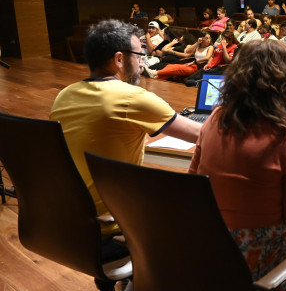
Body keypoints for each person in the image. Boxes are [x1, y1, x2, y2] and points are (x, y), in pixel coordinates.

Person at [188, 40, 286, 289]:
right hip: (261, 264)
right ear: (285, 84)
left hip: (210, 249)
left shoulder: (214, 118)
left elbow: (193, 185)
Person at [50, 20, 202, 238]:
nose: (142, 64)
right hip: (114, 227)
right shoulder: (132, 98)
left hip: (69, 222)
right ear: (119, 59)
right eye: (139, 55)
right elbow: (201, 134)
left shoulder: (63, 96)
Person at [145, 30, 215, 80]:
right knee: (171, 66)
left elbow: (207, 57)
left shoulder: (210, 47)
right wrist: (197, 43)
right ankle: (156, 77)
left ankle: (156, 72)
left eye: (209, 38)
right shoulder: (197, 47)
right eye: (206, 38)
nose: (209, 40)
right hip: (191, 65)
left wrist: (195, 61)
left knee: (176, 69)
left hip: (199, 67)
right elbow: (187, 51)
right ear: (201, 38)